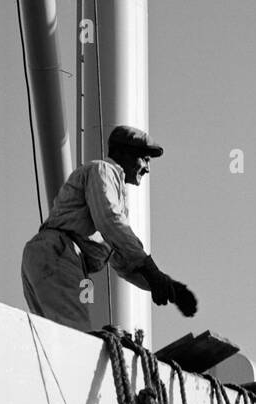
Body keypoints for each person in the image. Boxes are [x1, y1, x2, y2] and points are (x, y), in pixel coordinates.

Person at [21, 124, 196, 331]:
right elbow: (110, 221)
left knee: (56, 341)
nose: (147, 168)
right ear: (124, 153)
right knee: (73, 336)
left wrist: (166, 286)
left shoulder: (110, 186)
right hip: (59, 253)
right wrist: (151, 269)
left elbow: (122, 262)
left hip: (48, 256)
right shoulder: (103, 170)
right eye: (145, 159)